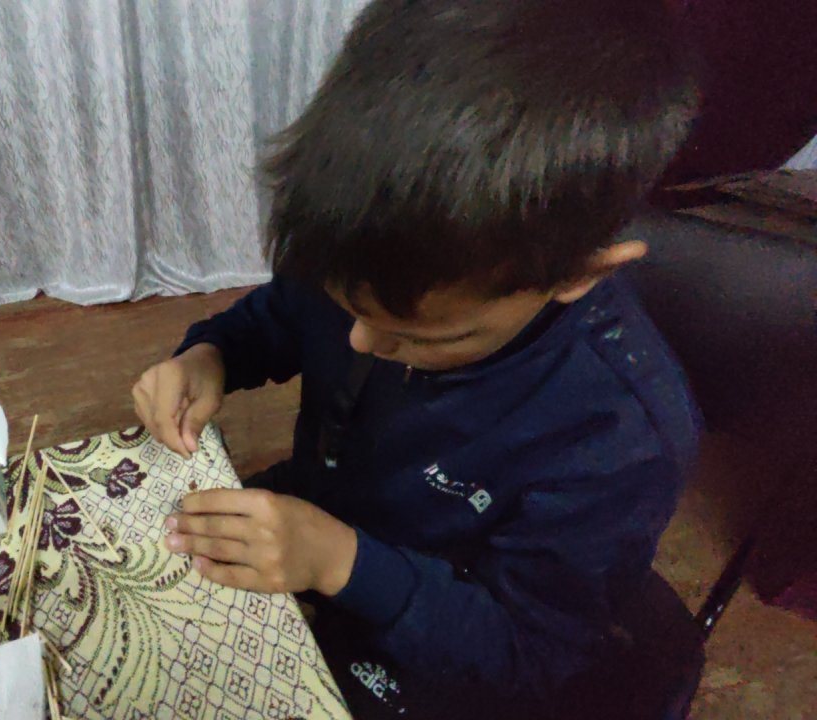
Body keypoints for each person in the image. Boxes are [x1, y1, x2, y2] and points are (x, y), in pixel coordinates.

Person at [131, 0, 702, 717]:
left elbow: (529, 656)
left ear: (578, 274)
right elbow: (281, 314)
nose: (361, 343)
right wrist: (210, 356)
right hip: (325, 510)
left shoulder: (618, 438)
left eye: (425, 338)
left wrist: (340, 562)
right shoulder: (370, 243)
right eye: (347, 307)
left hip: (446, 634)